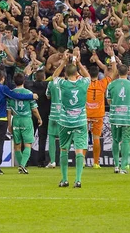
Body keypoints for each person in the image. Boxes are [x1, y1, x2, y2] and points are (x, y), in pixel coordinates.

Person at [0, 69, 38, 174]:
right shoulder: (3, 89)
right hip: (1, 119)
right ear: (3, 79)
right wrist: (31, 96)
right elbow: (16, 96)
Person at [52, 50, 90, 188]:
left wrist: (63, 62)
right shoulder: (83, 83)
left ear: (66, 74)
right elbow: (88, 76)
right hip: (80, 121)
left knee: (64, 149)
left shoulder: (63, 84)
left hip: (65, 122)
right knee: (79, 150)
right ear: (76, 73)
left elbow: (54, 76)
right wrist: (78, 62)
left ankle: (65, 179)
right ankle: (78, 180)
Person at [106, 64, 130, 174]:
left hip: (115, 117)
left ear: (118, 72)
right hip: (128, 117)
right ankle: (123, 167)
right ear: (128, 72)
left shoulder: (111, 85)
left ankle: (116, 165)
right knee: (126, 140)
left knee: (115, 140)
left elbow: (109, 101)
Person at [8, 73, 42, 174]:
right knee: (28, 144)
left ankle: (21, 165)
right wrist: (39, 118)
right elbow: (34, 110)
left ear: (14, 82)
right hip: (26, 119)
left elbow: (8, 111)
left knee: (17, 145)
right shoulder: (29, 93)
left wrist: (9, 124)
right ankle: (22, 165)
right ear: (23, 81)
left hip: (16, 119)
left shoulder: (10, 94)